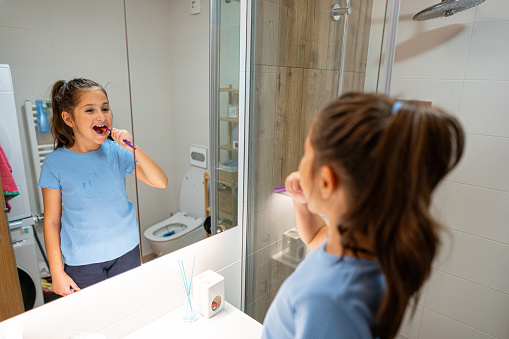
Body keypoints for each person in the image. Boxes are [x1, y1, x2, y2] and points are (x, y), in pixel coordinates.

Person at [262, 92, 465, 339]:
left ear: (326, 183)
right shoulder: (367, 247)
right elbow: (314, 236)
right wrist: (302, 202)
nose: (301, 162)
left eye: (307, 154)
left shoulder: (326, 299)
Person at [38, 78, 168, 296]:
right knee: (94, 321)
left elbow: (160, 182)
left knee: (130, 310)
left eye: (105, 108)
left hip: (127, 251)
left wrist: (132, 147)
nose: (101, 116)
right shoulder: (54, 163)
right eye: (90, 110)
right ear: (68, 118)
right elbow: (51, 222)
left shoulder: (116, 152)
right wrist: (56, 272)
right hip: (82, 262)